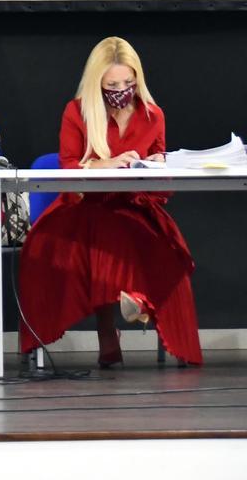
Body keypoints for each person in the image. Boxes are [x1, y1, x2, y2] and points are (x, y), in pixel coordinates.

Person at [17, 36, 201, 367]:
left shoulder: (153, 115)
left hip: (135, 206)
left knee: (157, 244)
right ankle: (133, 303)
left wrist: (157, 166)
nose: (122, 90)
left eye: (128, 83)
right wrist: (106, 164)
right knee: (104, 229)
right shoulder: (77, 112)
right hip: (82, 208)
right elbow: (68, 169)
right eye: (112, 85)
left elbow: (162, 188)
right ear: (96, 83)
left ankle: (126, 315)